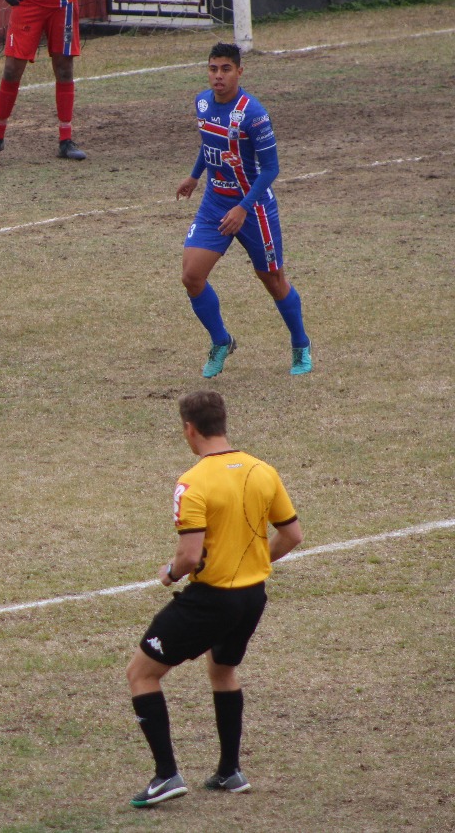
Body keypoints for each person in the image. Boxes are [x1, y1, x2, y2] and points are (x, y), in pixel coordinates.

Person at [125, 390, 303, 807]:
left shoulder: (194, 482)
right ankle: (229, 770)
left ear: (190, 429)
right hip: (252, 597)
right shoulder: (263, 470)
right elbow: (292, 535)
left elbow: (189, 556)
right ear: (223, 423)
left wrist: (169, 575)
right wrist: (256, 562)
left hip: (211, 600)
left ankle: (166, 775)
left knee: (142, 673)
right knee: (222, 669)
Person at [176, 42, 313, 378]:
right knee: (192, 277)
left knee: (273, 280)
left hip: (253, 209)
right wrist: (195, 176)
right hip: (214, 203)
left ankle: (300, 344)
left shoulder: (254, 114)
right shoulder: (202, 102)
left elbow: (270, 169)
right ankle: (222, 341)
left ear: (239, 71)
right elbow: (209, 143)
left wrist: (243, 207)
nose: (218, 76)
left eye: (225, 69)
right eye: (213, 68)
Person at [0, 0, 89, 165]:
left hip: (64, 4)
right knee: (12, 69)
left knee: (64, 70)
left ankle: (66, 140)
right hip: (28, 0)